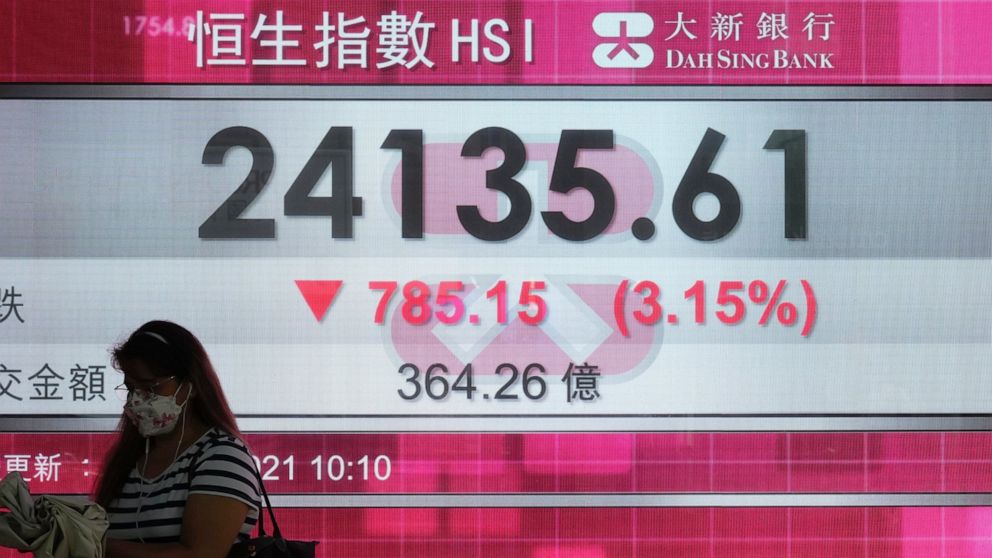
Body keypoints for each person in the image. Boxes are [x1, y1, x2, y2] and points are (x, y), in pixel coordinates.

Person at [94, 321, 261, 558]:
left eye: (151, 387)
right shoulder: (130, 459)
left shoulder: (222, 456)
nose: (137, 399)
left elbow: (202, 554)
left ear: (191, 386)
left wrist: (91, 544)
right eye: (131, 389)